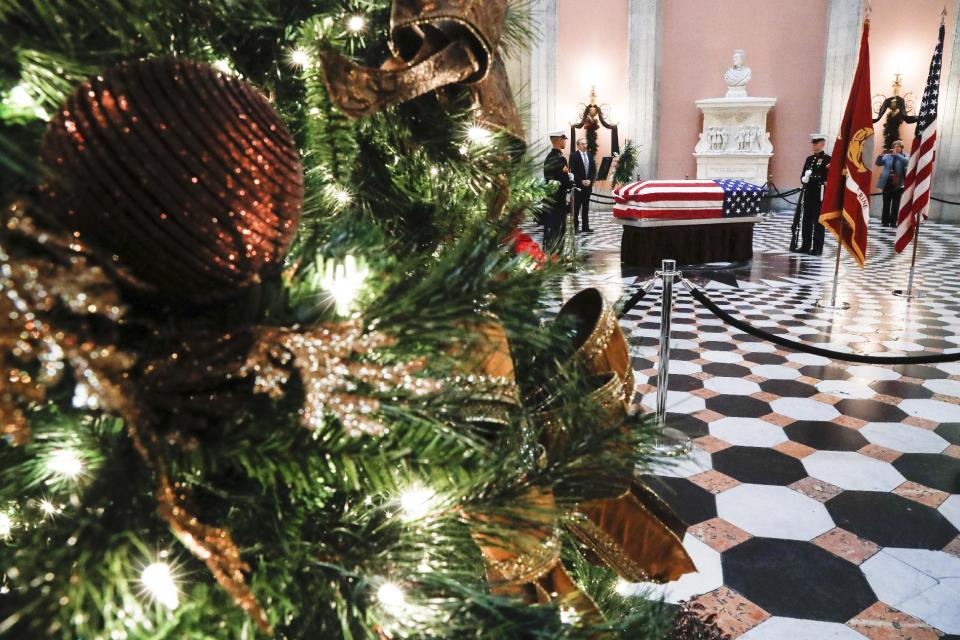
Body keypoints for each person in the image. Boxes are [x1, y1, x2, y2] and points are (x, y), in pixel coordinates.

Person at [797, 133, 830, 255]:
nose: (813, 145)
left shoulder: (827, 159)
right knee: (806, 219)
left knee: (818, 221)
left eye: (816, 143)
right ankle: (805, 245)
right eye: (813, 143)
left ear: (822, 144)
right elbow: (802, 176)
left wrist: (813, 177)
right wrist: (804, 178)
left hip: (819, 193)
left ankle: (817, 247)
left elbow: (826, 177)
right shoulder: (809, 159)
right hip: (808, 192)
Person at [542, 129, 573, 251]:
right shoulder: (560, 159)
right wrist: (572, 182)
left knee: (550, 232)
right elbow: (564, 181)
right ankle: (557, 260)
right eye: (564, 139)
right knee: (558, 232)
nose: (565, 141)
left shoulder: (549, 157)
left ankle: (550, 258)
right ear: (559, 139)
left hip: (550, 200)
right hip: (558, 202)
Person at [876, 140, 909, 227]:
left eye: (898, 147)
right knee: (886, 203)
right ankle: (885, 221)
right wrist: (880, 155)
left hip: (898, 183)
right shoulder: (887, 156)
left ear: (901, 148)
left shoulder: (905, 155)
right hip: (887, 182)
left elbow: (906, 162)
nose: (896, 148)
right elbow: (878, 163)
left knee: (896, 203)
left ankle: (893, 221)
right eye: (895, 146)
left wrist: (897, 155)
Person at [569, 138, 596, 232]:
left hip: (588, 186)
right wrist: (581, 181)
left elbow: (593, 171)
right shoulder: (573, 156)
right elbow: (573, 171)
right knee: (576, 207)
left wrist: (590, 180)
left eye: (586, 143)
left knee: (586, 207)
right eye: (582, 144)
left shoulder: (590, 155)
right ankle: (575, 227)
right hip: (578, 186)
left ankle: (585, 227)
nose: (585, 146)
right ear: (578, 145)